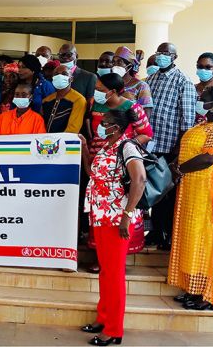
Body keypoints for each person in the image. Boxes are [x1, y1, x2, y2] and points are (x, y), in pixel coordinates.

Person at [79, 109, 147, 346]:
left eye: (104, 123)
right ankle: (103, 317)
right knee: (106, 271)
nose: (100, 125)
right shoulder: (108, 146)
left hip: (117, 219)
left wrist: (127, 216)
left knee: (114, 273)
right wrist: (86, 150)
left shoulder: (127, 146)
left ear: (116, 127)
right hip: (100, 216)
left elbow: (139, 179)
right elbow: (94, 176)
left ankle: (114, 329)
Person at [168, 85, 213, 311]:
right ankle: (193, 288)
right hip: (191, 193)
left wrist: (180, 169)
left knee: (209, 241)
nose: (200, 101)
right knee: (193, 240)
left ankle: (209, 295)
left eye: (204, 99)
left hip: (210, 193)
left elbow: (210, 158)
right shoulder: (203, 124)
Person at [146, 42, 196, 249]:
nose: (162, 56)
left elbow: (188, 120)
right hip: (150, 145)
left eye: (167, 53)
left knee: (167, 193)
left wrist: (178, 150)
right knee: (152, 192)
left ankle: (167, 235)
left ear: (175, 57)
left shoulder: (183, 82)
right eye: (160, 52)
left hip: (170, 147)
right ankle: (155, 232)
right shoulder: (151, 79)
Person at [41, 64, 86, 133]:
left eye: (64, 74)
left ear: (71, 79)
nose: (59, 76)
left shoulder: (78, 100)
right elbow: (41, 124)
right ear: (53, 78)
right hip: (45, 141)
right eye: (56, 74)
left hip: (65, 141)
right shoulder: (46, 100)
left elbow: (73, 129)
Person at [115, 47, 153, 118]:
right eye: (113, 62)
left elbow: (146, 114)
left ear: (129, 65)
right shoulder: (112, 83)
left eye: (119, 62)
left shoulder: (141, 86)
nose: (115, 65)